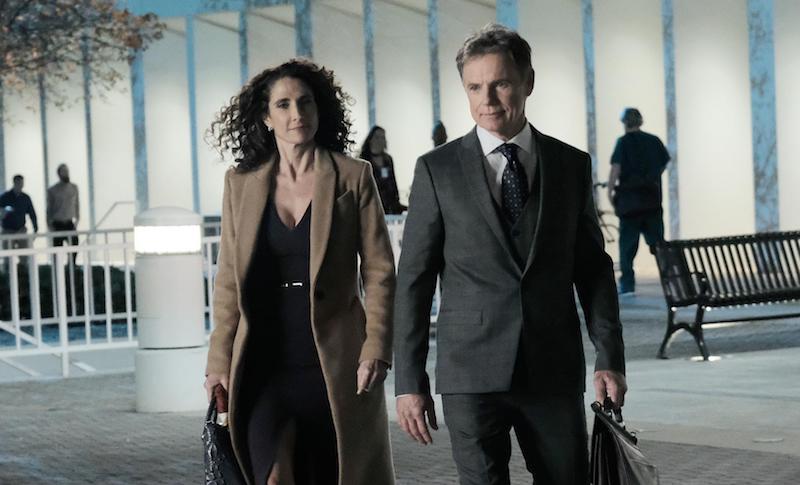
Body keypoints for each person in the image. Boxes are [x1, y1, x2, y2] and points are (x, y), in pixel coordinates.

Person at [394, 24, 627, 485]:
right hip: (469, 373)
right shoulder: (437, 170)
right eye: (474, 87)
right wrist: (409, 381)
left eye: (500, 83)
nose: (488, 100)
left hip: (552, 368)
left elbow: (593, 271)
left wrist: (610, 355)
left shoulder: (569, 165)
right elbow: (414, 282)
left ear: (528, 82)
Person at [204, 59, 396, 485]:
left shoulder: (353, 176)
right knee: (274, 476)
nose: (297, 114)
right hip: (263, 362)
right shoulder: (241, 183)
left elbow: (380, 270)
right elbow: (229, 280)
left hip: (334, 361)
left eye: (305, 102)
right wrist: (218, 360)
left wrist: (376, 346)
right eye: (284, 105)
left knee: (329, 473)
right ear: (266, 117)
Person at [607, 107, 670, 295]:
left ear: (624, 123)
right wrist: (651, 178)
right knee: (658, 245)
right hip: (652, 201)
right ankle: (670, 280)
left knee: (627, 247)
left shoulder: (623, 143)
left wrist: (610, 190)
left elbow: (616, 168)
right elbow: (663, 164)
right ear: (640, 121)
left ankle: (628, 284)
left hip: (630, 204)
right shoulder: (654, 141)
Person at [359, 126, 406, 215]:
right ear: (370, 140)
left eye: (382, 137)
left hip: (390, 205)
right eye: (377, 137)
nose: (380, 140)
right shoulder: (363, 160)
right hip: (372, 206)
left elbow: (393, 182)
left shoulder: (388, 159)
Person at [0, 175, 39, 250]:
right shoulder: (5, 197)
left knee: (24, 252)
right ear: (14, 182)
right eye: (18, 183)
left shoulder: (25, 198)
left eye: (21, 183)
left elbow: (32, 213)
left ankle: (23, 259)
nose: (20, 185)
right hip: (8, 230)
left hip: (21, 229)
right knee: (7, 253)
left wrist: (35, 227)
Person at [47, 164, 80, 249]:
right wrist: (49, 224)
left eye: (67, 171)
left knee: (74, 246)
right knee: (57, 249)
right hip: (57, 223)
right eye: (64, 171)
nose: (66, 173)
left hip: (69, 222)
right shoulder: (53, 190)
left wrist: (77, 219)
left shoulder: (74, 188)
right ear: (59, 174)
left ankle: (71, 259)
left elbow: (77, 204)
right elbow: (49, 208)